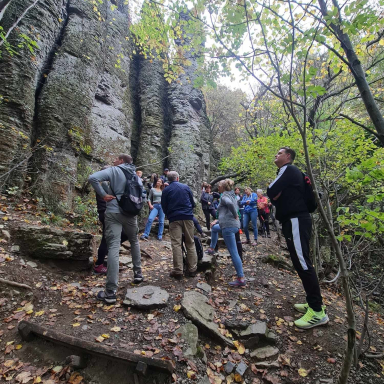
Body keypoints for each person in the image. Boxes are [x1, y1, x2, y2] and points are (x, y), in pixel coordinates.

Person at [267, 147, 328, 329]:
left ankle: (317, 312)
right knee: (300, 261)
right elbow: (277, 196)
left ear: (288, 157)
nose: (275, 155)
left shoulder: (289, 169)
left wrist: (276, 195)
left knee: (302, 262)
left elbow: (271, 191)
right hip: (295, 219)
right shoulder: (294, 174)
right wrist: (277, 196)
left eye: (279, 153)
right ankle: (313, 302)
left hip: (295, 220)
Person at [89, 154, 143, 304]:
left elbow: (93, 178)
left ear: (121, 161)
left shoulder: (114, 170)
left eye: (115, 160)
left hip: (113, 212)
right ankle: (138, 274)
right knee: (134, 241)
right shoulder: (136, 175)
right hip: (131, 213)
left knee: (113, 246)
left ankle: (111, 292)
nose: (113, 162)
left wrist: (103, 195)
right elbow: (142, 195)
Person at [209, 179, 245, 287]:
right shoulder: (231, 195)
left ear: (223, 187)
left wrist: (235, 214)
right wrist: (218, 220)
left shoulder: (225, 197)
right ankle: (211, 248)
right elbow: (225, 212)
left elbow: (230, 206)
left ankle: (241, 278)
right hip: (231, 225)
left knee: (233, 253)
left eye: (219, 185)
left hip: (228, 227)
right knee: (214, 229)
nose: (217, 186)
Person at [161, 171, 197, 279]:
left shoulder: (166, 190)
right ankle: (192, 269)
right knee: (190, 242)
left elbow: (164, 205)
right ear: (178, 178)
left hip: (174, 218)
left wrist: (169, 215)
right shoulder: (185, 187)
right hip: (187, 217)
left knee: (176, 244)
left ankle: (178, 270)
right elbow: (193, 203)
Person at [94, 166, 128, 275]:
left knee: (118, 236)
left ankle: (104, 259)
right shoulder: (104, 185)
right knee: (106, 239)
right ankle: (99, 265)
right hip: (107, 214)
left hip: (106, 214)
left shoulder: (104, 185)